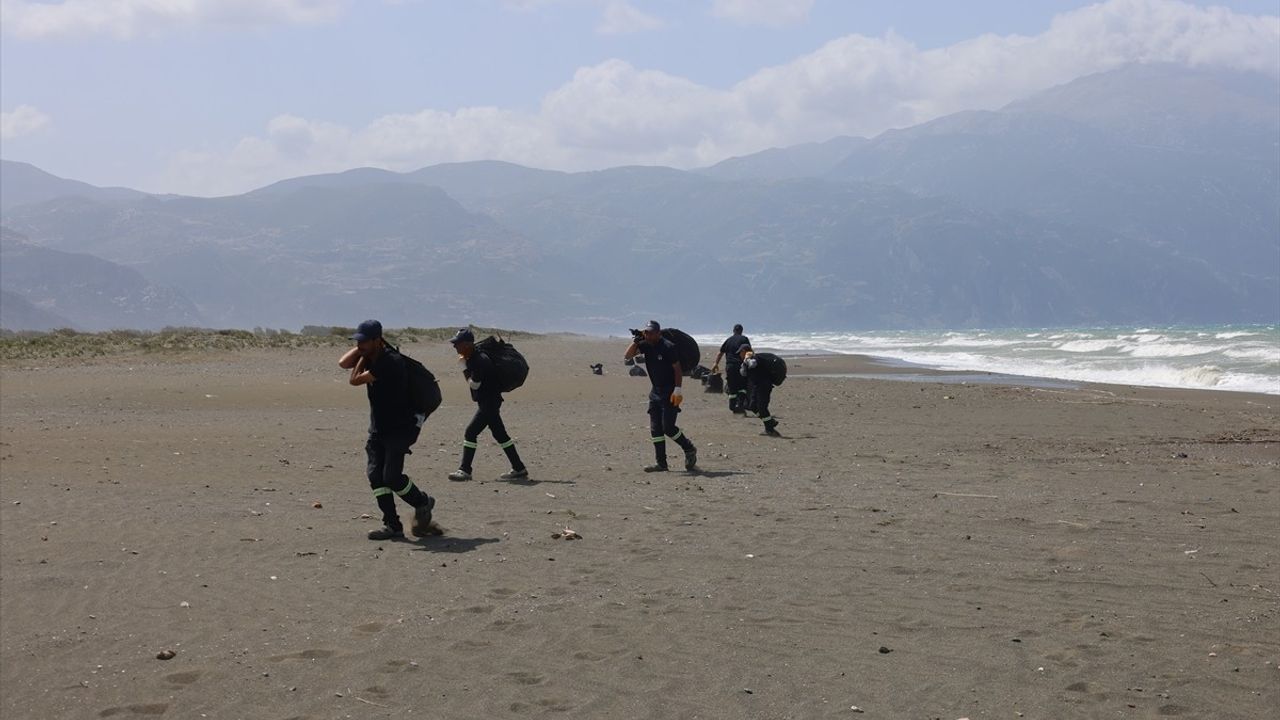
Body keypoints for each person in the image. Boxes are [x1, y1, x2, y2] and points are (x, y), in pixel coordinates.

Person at [338, 319, 437, 540]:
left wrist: (363, 356)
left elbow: (354, 380)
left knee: (391, 477)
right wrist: (362, 349)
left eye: (364, 341)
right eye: (358, 341)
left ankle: (422, 501)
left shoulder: (389, 361)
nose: (360, 345)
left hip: (401, 428)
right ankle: (393, 526)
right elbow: (343, 363)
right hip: (378, 428)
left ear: (377, 340)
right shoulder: (372, 354)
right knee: (376, 477)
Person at [446, 328, 528, 481]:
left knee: (470, 432)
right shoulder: (475, 357)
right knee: (500, 434)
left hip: (489, 403)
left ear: (467, 344)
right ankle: (519, 468)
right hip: (490, 402)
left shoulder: (479, 360)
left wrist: (463, 368)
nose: (454, 347)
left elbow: (474, 385)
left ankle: (465, 470)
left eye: (457, 344)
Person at [624, 320, 698, 472]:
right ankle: (661, 464)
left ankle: (689, 448)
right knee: (655, 429)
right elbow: (627, 356)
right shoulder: (645, 344)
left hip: (670, 392)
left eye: (651, 332)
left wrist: (678, 389)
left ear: (658, 333)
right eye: (646, 332)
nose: (648, 335)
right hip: (655, 392)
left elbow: (677, 369)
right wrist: (636, 341)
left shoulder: (668, 347)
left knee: (668, 427)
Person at [738, 345, 780, 436]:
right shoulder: (746, 360)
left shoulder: (755, 357)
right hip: (756, 386)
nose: (739, 355)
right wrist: (744, 364)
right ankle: (770, 422)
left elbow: (753, 364)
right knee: (752, 406)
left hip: (764, 385)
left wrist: (747, 359)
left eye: (740, 352)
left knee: (762, 407)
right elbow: (743, 373)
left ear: (744, 351)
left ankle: (769, 428)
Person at [710, 323, 751, 414]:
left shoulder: (728, 340)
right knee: (742, 386)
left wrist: (715, 364)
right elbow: (749, 352)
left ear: (733, 331)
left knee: (732, 387)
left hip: (730, 367)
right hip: (741, 366)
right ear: (741, 331)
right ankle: (740, 405)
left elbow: (720, 353)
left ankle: (732, 406)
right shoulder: (744, 339)